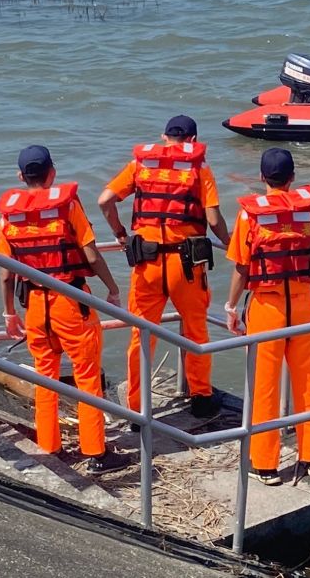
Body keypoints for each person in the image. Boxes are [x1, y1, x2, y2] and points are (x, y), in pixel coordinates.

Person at [0, 145, 128, 475]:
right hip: (70, 301)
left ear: (19, 177)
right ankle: (96, 452)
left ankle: (49, 447)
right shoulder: (66, 205)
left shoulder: (10, 216)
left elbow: (5, 272)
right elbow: (92, 254)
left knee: (46, 375)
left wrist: (9, 312)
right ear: (52, 173)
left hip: (34, 306)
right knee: (87, 377)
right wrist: (112, 289)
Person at [223, 148, 310, 486]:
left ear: (262, 178)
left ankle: (265, 465)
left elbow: (242, 269)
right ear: (292, 177)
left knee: (265, 385)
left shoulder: (250, 217)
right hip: (304, 306)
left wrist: (231, 306)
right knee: (307, 382)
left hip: (267, 307)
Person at [98, 115, 231, 421]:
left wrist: (120, 234)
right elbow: (213, 220)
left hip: (147, 264)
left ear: (163, 137)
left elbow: (105, 201)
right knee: (196, 331)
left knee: (141, 335)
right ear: (194, 141)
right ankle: (200, 398)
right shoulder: (200, 169)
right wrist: (230, 242)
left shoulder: (140, 166)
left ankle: (137, 408)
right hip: (185, 266)